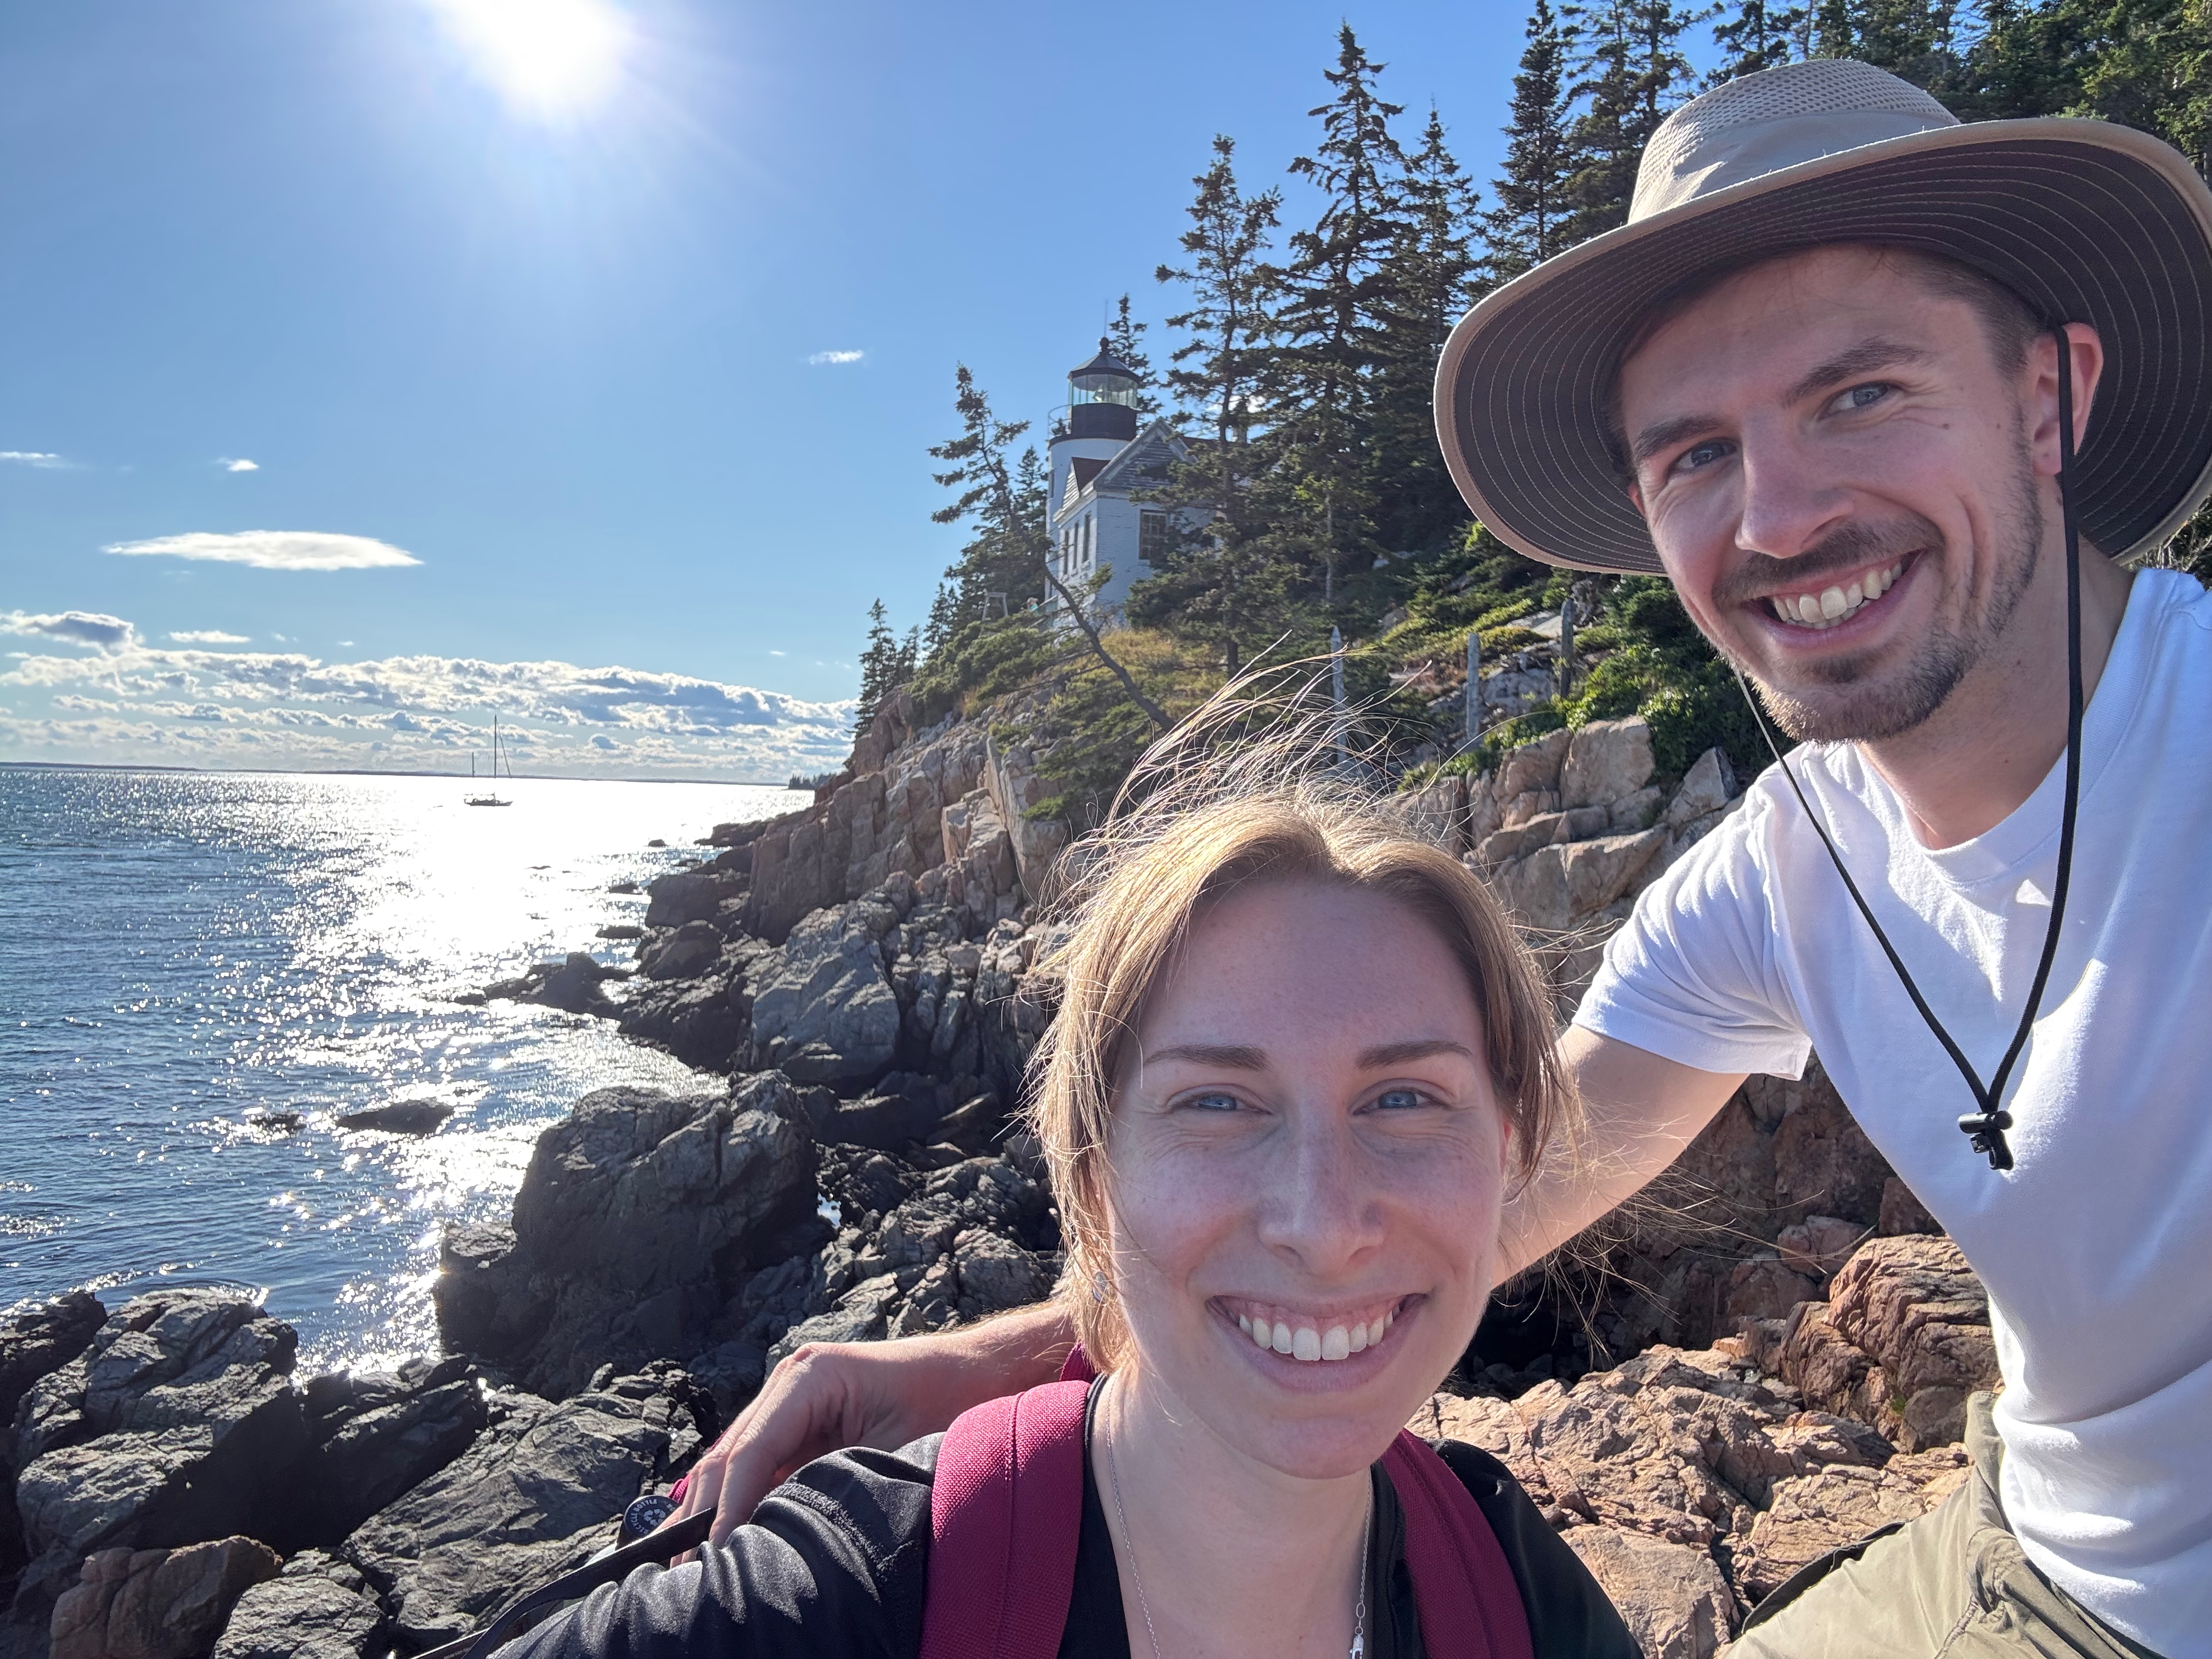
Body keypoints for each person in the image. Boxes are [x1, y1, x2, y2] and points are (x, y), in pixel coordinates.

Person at [668, 58, 2212, 1659]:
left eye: (1860, 394)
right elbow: (1491, 1194)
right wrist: (995, 1365)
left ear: (2050, 398)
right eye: (1694, 454)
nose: (1778, 516)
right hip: (2015, 1519)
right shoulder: (1791, 867)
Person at [508, 743, 1639, 1656]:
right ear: (1092, 1183)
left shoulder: (1513, 1595)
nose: (1322, 1220)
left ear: (1507, 1149)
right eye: (1218, 1104)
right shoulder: (853, 1593)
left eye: (1402, 1099)